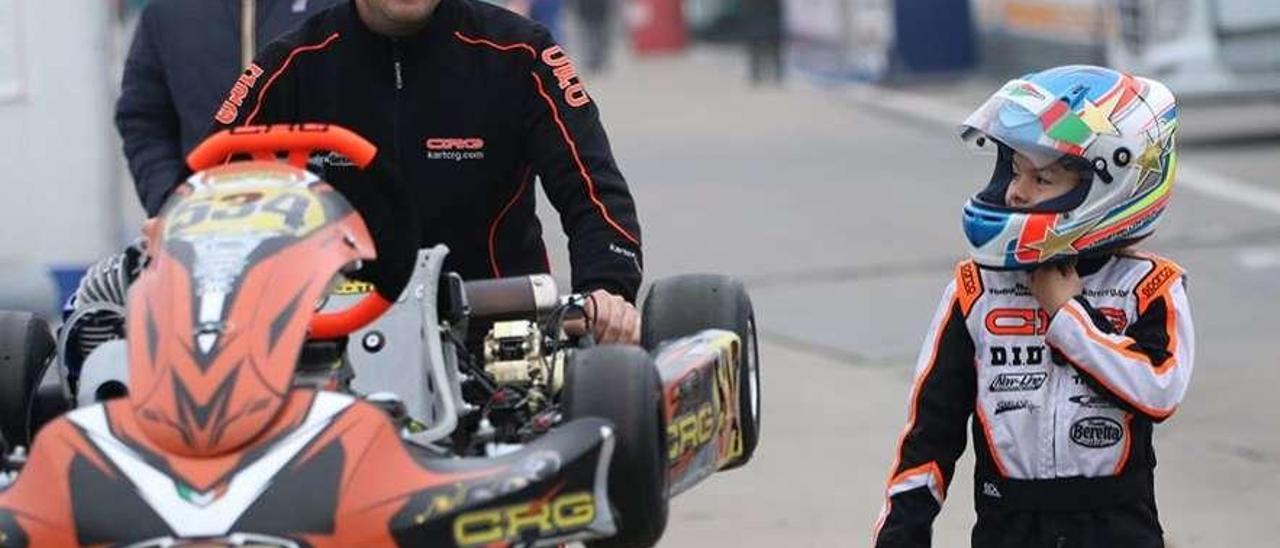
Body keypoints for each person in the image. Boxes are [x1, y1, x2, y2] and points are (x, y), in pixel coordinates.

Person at [872, 65, 1193, 547]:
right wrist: (902, 533)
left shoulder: (1149, 287)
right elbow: (929, 434)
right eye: (1015, 171)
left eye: (1041, 178)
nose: (1016, 191)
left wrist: (1069, 317)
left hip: (1117, 529)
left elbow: (1160, 389)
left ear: (1112, 187)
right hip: (1009, 526)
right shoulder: (976, 288)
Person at [205, 0, 643, 344]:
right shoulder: (291, 64)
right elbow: (210, 195)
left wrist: (606, 290)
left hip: (498, 337)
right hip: (333, 341)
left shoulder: (520, 52)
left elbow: (591, 187)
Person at [116, 0, 342, 216]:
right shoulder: (165, 11)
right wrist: (170, 201)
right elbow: (145, 122)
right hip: (206, 225)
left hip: (326, 221)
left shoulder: (344, 8)